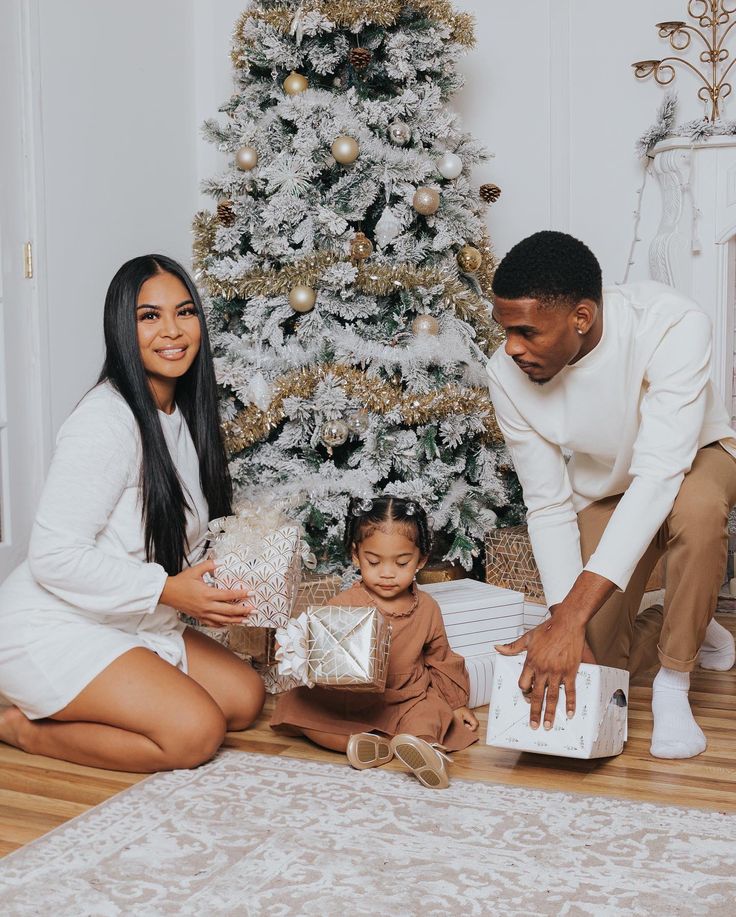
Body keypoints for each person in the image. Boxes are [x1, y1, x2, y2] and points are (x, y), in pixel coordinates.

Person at [0, 254, 265, 772]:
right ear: (123, 327)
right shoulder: (104, 421)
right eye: (149, 316)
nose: (172, 330)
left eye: (184, 312)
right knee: (195, 733)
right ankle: (20, 728)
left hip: (133, 618)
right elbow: (53, 555)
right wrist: (168, 589)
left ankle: (124, 694)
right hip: (55, 623)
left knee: (244, 699)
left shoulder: (183, 413)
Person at [486, 230, 736, 760]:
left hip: (697, 455)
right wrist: (564, 622)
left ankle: (675, 680)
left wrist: (570, 615)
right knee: (595, 655)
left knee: (696, 511)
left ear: (581, 316)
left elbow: (661, 476)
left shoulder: (672, 323)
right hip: (609, 482)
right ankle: (691, 617)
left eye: (526, 331)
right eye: (504, 330)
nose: (512, 347)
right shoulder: (504, 373)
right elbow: (548, 503)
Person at [271, 495, 478, 788]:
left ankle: (423, 748)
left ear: (421, 559)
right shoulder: (345, 603)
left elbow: (440, 657)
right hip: (356, 698)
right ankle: (363, 745)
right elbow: (316, 641)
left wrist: (457, 704)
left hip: (408, 696)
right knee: (299, 706)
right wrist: (293, 647)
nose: (387, 573)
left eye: (402, 562)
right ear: (356, 555)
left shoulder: (428, 607)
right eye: (373, 561)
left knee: (431, 713)